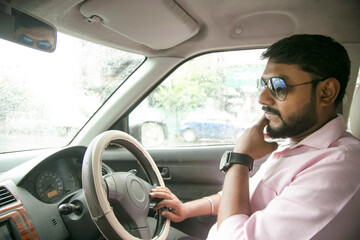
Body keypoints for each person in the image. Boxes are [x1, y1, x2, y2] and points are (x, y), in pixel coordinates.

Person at [150, 34, 360, 239]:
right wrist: (186, 209)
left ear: (326, 92)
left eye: (279, 87)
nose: (262, 98)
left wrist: (240, 159)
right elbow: (242, 196)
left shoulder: (340, 165)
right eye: (263, 85)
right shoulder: (298, 144)